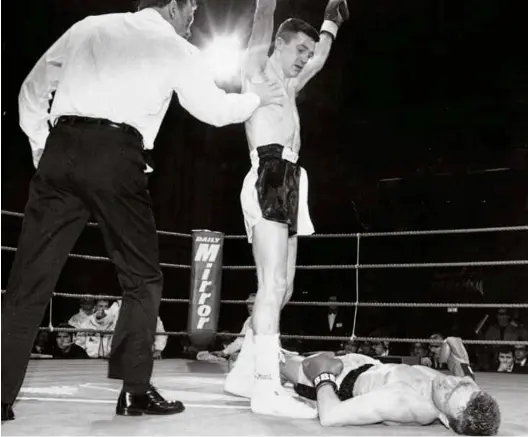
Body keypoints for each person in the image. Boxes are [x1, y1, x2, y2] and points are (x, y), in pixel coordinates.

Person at [1, 0, 284, 422]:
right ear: (172, 6)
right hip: (117, 156)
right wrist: (256, 98)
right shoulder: (173, 46)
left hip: (62, 150)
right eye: (191, 9)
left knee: (28, 281)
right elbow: (213, 109)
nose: (193, 19)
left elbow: (33, 87)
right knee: (144, 279)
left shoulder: (90, 25)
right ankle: (134, 391)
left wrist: (43, 145)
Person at [224, 0, 349, 419]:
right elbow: (262, 18)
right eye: (298, 50)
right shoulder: (258, 69)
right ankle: (264, 387)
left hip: (293, 178)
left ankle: (244, 373)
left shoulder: (292, 87)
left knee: (284, 287)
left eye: (306, 53)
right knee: (272, 282)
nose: (303, 59)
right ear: (279, 43)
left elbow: (322, 56)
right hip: (270, 173)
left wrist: (331, 20)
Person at [282, 337, 501, 435]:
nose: (448, 380)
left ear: (444, 419)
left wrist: (322, 376)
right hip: (365, 365)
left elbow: (331, 416)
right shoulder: (455, 394)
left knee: (272, 362)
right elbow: (462, 386)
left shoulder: (402, 401)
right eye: (460, 384)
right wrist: (464, 372)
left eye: (449, 392)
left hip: (337, 382)